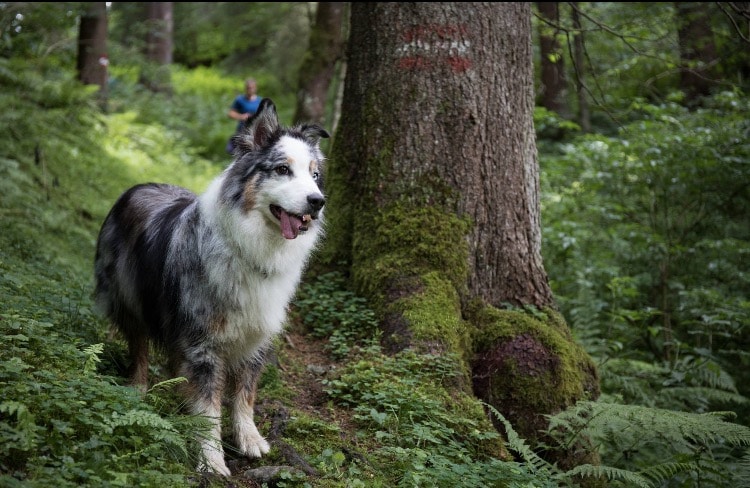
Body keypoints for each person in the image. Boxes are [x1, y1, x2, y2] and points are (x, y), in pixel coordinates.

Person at [226, 78, 263, 153]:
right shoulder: (240, 100)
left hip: (256, 130)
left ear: (255, 88)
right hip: (243, 129)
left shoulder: (259, 100)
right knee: (241, 151)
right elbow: (230, 113)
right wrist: (241, 116)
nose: (250, 90)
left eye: (252, 88)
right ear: (245, 88)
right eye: (248, 88)